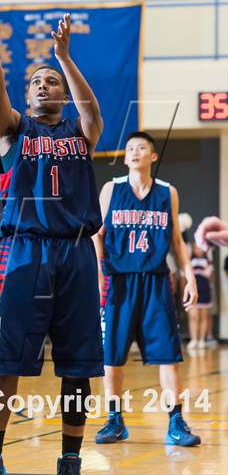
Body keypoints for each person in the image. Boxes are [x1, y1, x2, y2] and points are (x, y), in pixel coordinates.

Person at [0, 13, 104, 475]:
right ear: (26, 96)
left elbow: (92, 111)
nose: (43, 85)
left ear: (63, 93)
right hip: (26, 252)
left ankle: (70, 466)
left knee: (78, 367)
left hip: (75, 253)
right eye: (36, 81)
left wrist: (64, 56)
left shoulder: (81, 131)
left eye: (51, 81)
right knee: (5, 366)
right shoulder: (13, 131)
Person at [93, 131, 200, 448]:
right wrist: (99, 271)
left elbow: (177, 242)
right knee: (112, 357)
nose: (135, 152)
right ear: (125, 157)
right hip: (118, 281)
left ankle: (176, 422)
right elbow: (96, 234)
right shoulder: (112, 189)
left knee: (169, 356)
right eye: (130, 149)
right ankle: (115, 420)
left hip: (156, 281)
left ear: (153, 156)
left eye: (141, 148)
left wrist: (190, 275)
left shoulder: (168, 193)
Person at [187, 244, 214, 350]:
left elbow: (211, 276)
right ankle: (193, 339)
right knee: (193, 316)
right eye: (197, 247)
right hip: (193, 290)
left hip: (205, 290)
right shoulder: (189, 259)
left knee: (203, 317)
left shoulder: (208, 260)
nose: (199, 250)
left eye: (201, 247)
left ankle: (202, 339)